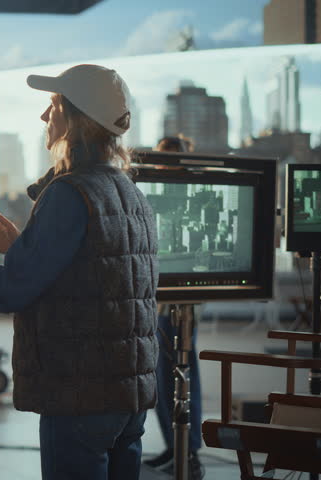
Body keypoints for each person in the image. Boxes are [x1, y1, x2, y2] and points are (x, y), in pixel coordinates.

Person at [0, 64, 159, 480]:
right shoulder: (129, 193)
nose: (43, 117)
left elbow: (14, 292)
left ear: (75, 118)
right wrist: (23, 247)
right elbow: (96, 278)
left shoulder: (70, 193)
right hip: (128, 397)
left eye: (53, 106)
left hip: (79, 395)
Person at [143, 135, 204, 479]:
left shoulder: (190, 194)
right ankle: (174, 447)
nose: (163, 167)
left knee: (183, 378)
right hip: (158, 301)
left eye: (169, 160)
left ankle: (190, 452)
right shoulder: (155, 192)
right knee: (161, 382)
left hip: (182, 306)